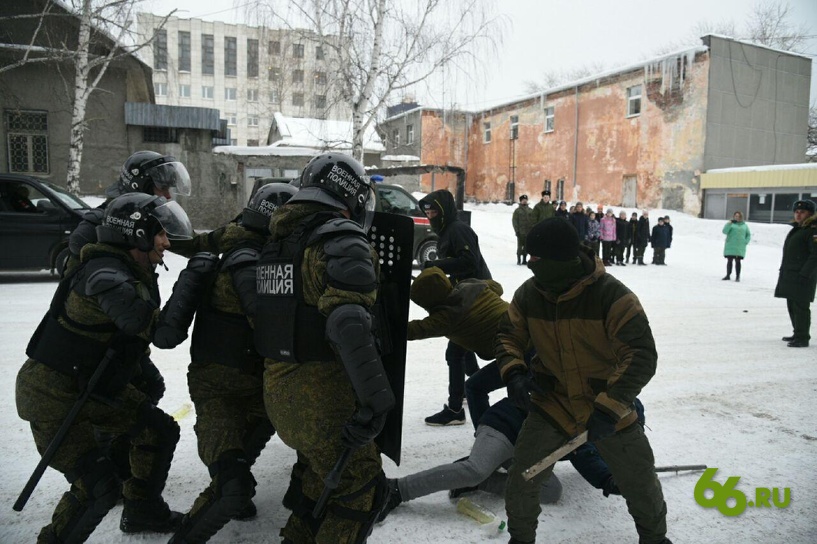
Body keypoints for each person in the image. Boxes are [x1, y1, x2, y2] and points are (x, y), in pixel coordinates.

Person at [15, 193, 209, 542]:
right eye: (159, 233)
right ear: (137, 234)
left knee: (158, 430)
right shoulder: (105, 275)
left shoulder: (124, 266)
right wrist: (193, 278)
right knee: (98, 489)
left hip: (92, 385)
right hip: (53, 397)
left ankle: (142, 509)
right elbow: (161, 333)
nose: (166, 242)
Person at [496, 217, 670, 544]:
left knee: (639, 480)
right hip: (553, 403)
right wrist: (514, 372)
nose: (530, 264)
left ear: (560, 260)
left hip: (607, 405)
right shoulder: (529, 294)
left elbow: (641, 354)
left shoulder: (612, 296)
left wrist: (610, 407)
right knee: (523, 478)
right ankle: (520, 539)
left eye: (536, 258)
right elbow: (508, 336)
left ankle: (655, 539)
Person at [256, 153, 393, 544]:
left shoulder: (280, 242)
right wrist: (375, 402)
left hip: (280, 395)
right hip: (323, 403)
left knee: (318, 485)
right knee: (361, 488)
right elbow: (347, 324)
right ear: (350, 195)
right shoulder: (340, 239)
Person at [168, 183, 298, 543]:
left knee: (260, 427)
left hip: (243, 382)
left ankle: (235, 470)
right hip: (220, 386)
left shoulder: (239, 240)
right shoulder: (248, 259)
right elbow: (266, 320)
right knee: (233, 486)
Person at [418, 188, 492, 426]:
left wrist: (437, 266)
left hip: (476, 296)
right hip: (466, 294)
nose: (430, 216)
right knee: (464, 347)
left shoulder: (458, 229)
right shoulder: (448, 230)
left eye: (434, 212)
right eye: (427, 212)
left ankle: (455, 409)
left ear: (444, 210)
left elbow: (469, 261)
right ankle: (473, 387)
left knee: (455, 352)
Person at [405, 266, 508, 428]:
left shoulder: (446, 318)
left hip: (519, 352)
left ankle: (486, 435)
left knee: (474, 387)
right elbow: (497, 287)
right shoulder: (470, 285)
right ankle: (455, 408)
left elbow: (413, 330)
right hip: (531, 332)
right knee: (455, 351)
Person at [774, 199, 817, 348]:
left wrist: (805, 274)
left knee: (800, 307)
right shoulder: (799, 228)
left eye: (802, 212)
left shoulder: (812, 230)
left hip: (803, 276)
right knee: (792, 305)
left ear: (810, 214)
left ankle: (802, 337)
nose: (798, 215)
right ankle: (797, 332)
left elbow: (815, 255)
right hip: (791, 274)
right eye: (796, 212)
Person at [722, 211, 751, 281]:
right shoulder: (731, 224)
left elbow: (748, 235)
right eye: (735, 216)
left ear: (741, 217)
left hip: (739, 246)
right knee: (729, 260)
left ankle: (737, 276)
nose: (737, 217)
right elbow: (724, 231)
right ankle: (728, 275)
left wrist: (745, 241)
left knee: (738, 261)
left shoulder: (744, 225)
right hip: (731, 245)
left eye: (738, 216)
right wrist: (729, 224)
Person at [512, 194, 537, 265]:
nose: (524, 201)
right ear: (520, 201)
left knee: (526, 246)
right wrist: (516, 231)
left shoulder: (530, 210)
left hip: (528, 231)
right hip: (520, 232)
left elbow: (533, 220)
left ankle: (524, 260)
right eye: (523, 200)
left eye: (525, 200)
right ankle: (519, 259)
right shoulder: (517, 211)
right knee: (520, 246)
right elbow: (514, 221)